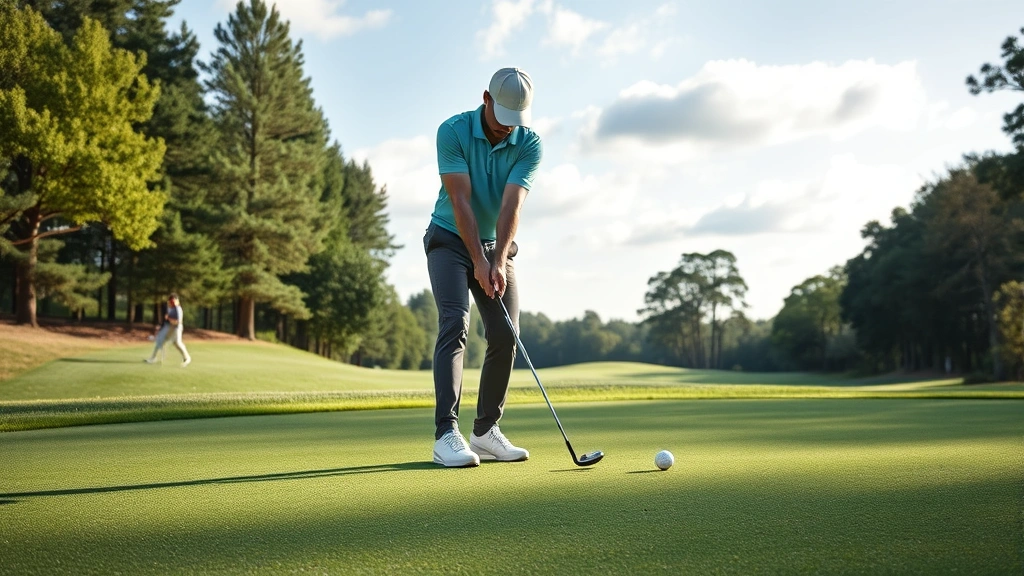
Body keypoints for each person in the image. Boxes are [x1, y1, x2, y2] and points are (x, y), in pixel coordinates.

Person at [424, 67, 543, 467]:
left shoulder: (529, 143)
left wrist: (497, 257)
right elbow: (461, 201)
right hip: (447, 239)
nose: (507, 130)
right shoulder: (453, 131)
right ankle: (447, 434)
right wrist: (478, 260)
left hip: (496, 243)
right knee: (456, 322)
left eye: (515, 122)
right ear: (486, 99)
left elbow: (512, 205)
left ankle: (485, 431)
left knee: (506, 332)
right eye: (501, 119)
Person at [145, 293, 192, 367]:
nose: (172, 303)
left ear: (177, 301)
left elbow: (178, 322)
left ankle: (187, 358)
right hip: (170, 328)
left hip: (175, 329)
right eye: (171, 301)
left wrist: (168, 319)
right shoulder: (172, 308)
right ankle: (154, 358)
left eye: (173, 301)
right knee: (163, 342)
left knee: (175, 343)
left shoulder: (177, 309)